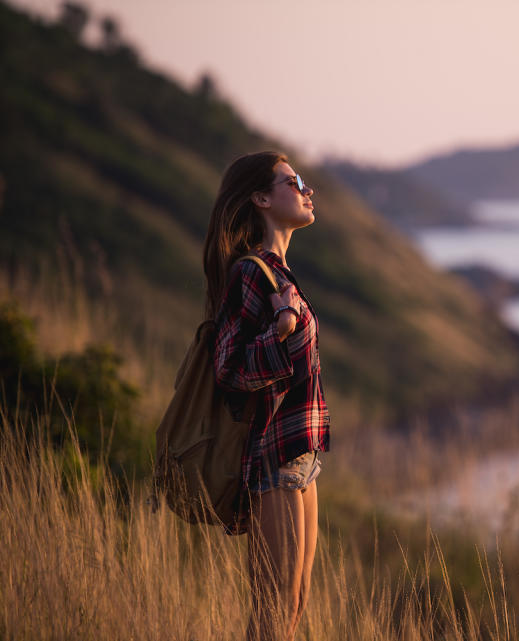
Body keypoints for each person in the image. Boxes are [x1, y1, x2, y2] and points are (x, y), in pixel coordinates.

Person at [202, 151, 331, 641]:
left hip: (302, 453)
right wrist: (280, 328)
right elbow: (229, 371)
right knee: (274, 609)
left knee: (292, 605)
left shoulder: (280, 273)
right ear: (261, 198)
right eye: (293, 180)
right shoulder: (251, 274)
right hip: (272, 454)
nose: (306, 188)